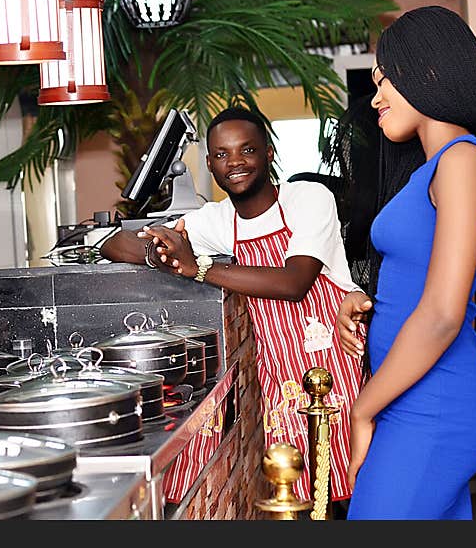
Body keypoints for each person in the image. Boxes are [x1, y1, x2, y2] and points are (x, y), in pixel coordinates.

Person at [101, 107, 363, 506]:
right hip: (277, 372)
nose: (234, 163)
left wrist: (197, 267)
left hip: (330, 362)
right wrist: (163, 254)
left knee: (346, 489)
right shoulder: (217, 219)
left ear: (269, 153)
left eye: (247, 150)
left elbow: (294, 283)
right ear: (209, 163)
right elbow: (115, 244)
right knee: (293, 493)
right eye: (221, 155)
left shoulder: (307, 198)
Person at [335, 6, 476, 520]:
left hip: (435, 404)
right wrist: (367, 303)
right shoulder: (430, 169)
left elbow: (445, 313)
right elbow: (419, 277)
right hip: (406, 395)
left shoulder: (464, 160)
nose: (375, 98)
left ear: (427, 72)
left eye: (385, 81)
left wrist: (362, 408)